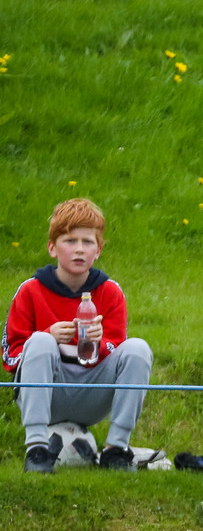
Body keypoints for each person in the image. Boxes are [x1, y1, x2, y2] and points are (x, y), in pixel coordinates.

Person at [2, 198, 154, 473]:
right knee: (41, 340)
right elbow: (10, 357)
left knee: (139, 348)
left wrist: (100, 344)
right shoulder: (30, 291)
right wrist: (47, 336)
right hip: (48, 397)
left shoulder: (111, 292)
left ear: (98, 250)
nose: (80, 249)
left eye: (88, 242)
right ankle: (37, 450)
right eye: (70, 241)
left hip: (93, 395)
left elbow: (119, 347)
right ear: (52, 248)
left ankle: (116, 450)